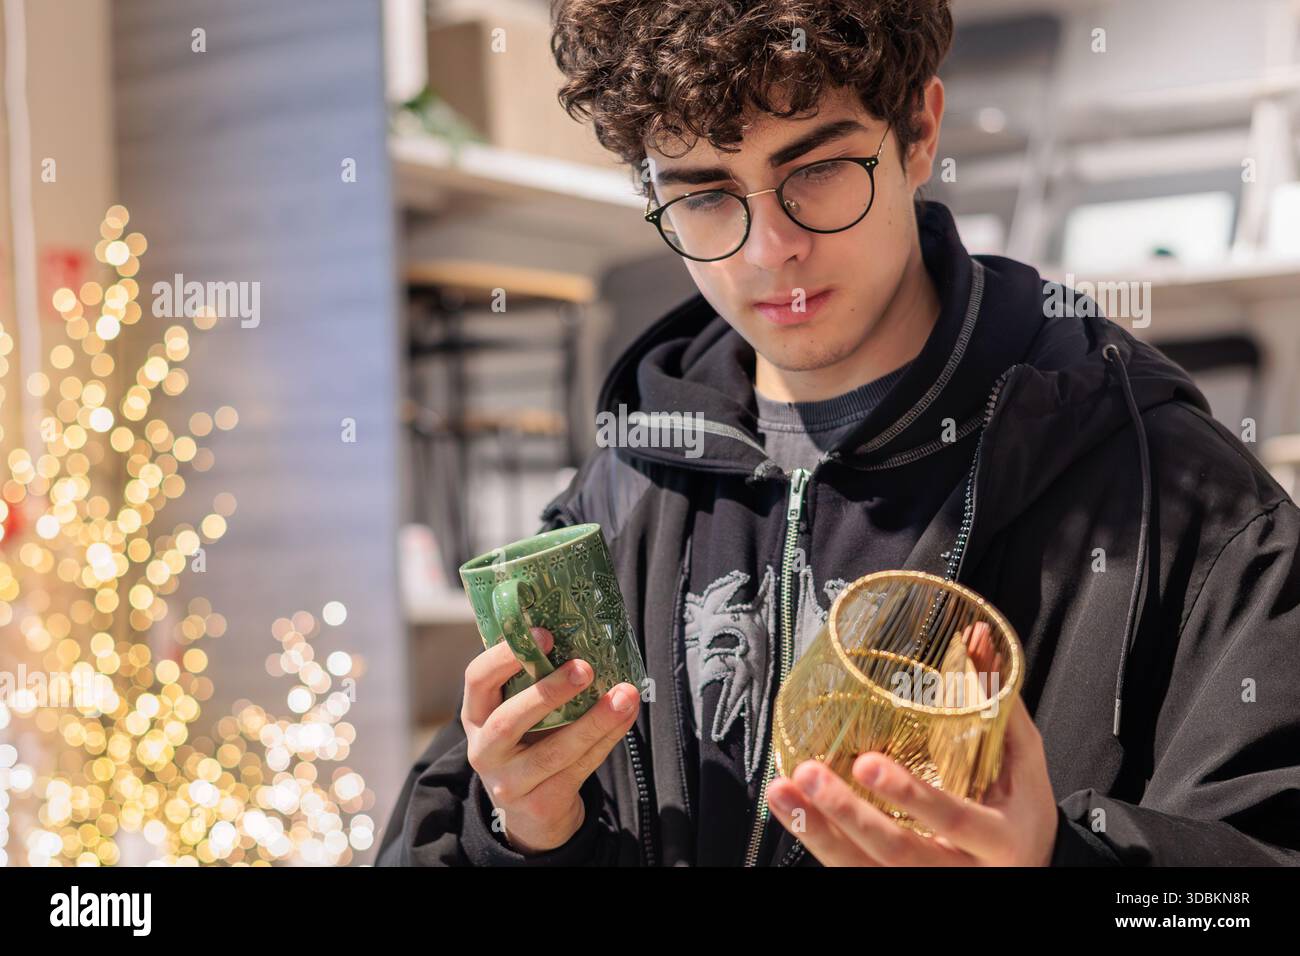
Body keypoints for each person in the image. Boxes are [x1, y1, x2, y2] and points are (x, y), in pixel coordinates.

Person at [376, 0, 1300, 866]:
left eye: (815, 171)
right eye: (703, 195)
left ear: (919, 131)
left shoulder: (1175, 494)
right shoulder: (627, 484)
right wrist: (529, 834)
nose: (765, 250)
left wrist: (1059, 861)